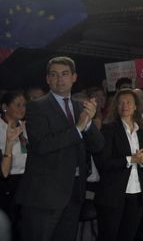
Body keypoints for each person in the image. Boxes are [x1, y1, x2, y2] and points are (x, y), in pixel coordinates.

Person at [15, 56, 104, 241]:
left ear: (74, 77)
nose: (59, 79)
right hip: (45, 196)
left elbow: (98, 146)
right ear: (47, 79)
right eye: (54, 75)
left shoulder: (81, 107)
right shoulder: (36, 107)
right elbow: (42, 145)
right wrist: (78, 127)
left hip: (74, 192)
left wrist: (87, 125)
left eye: (64, 74)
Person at [94, 89, 143, 241]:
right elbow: (103, 162)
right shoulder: (109, 129)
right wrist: (130, 160)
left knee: (128, 236)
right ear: (115, 106)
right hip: (112, 195)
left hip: (137, 193)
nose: (124, 105)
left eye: (128, 102)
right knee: (108, 236)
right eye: (120, 102)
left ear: (135, 107)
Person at [0, 91, 27, 240]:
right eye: (17, 105)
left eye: (24, 105)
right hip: (8, 182)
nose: (22, 108)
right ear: (5, 107)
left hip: (27, 180)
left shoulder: (26, 126)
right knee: (11, 225)